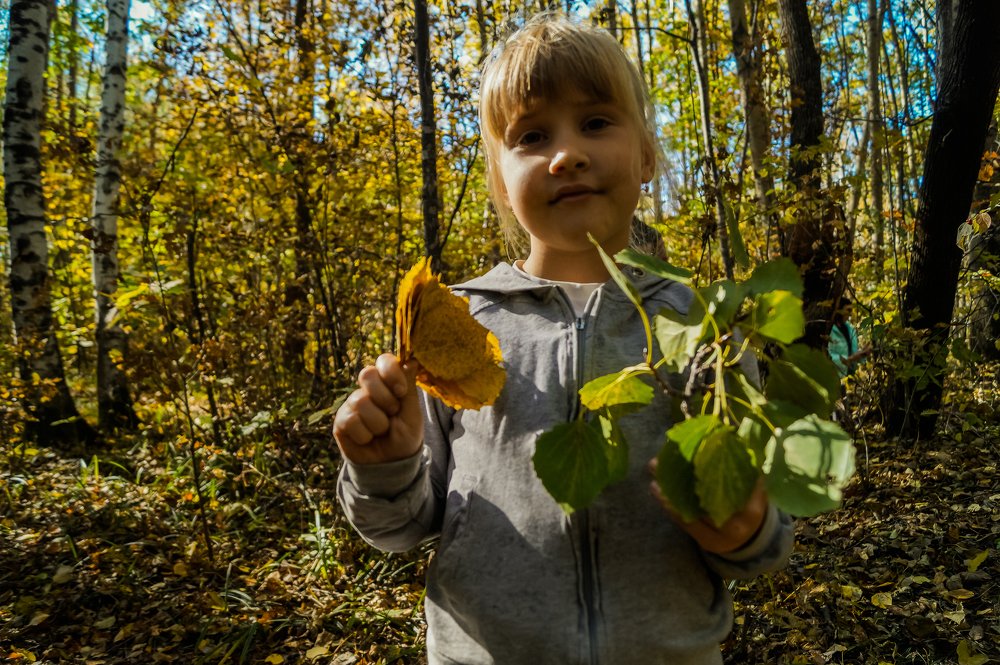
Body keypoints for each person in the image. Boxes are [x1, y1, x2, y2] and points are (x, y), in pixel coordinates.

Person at [333, 13, 793, 664]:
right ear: (501, 180)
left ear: (646, 158)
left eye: (597, 122)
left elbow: (766, 539)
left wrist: (745, 528)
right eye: (532, 135)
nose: (567, 153)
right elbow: (399, 527)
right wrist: (385, 466)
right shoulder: (459, 325)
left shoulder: (699, 325)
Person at [828, 297, 871, 378]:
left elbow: (852, 354)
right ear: (839, 310)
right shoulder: (828, 329)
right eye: (848, 310)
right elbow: (826, 356)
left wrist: (863, 353)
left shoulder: (850, 329)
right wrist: (849, 359)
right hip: (832, 377)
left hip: (847, 378)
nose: (850, 314)